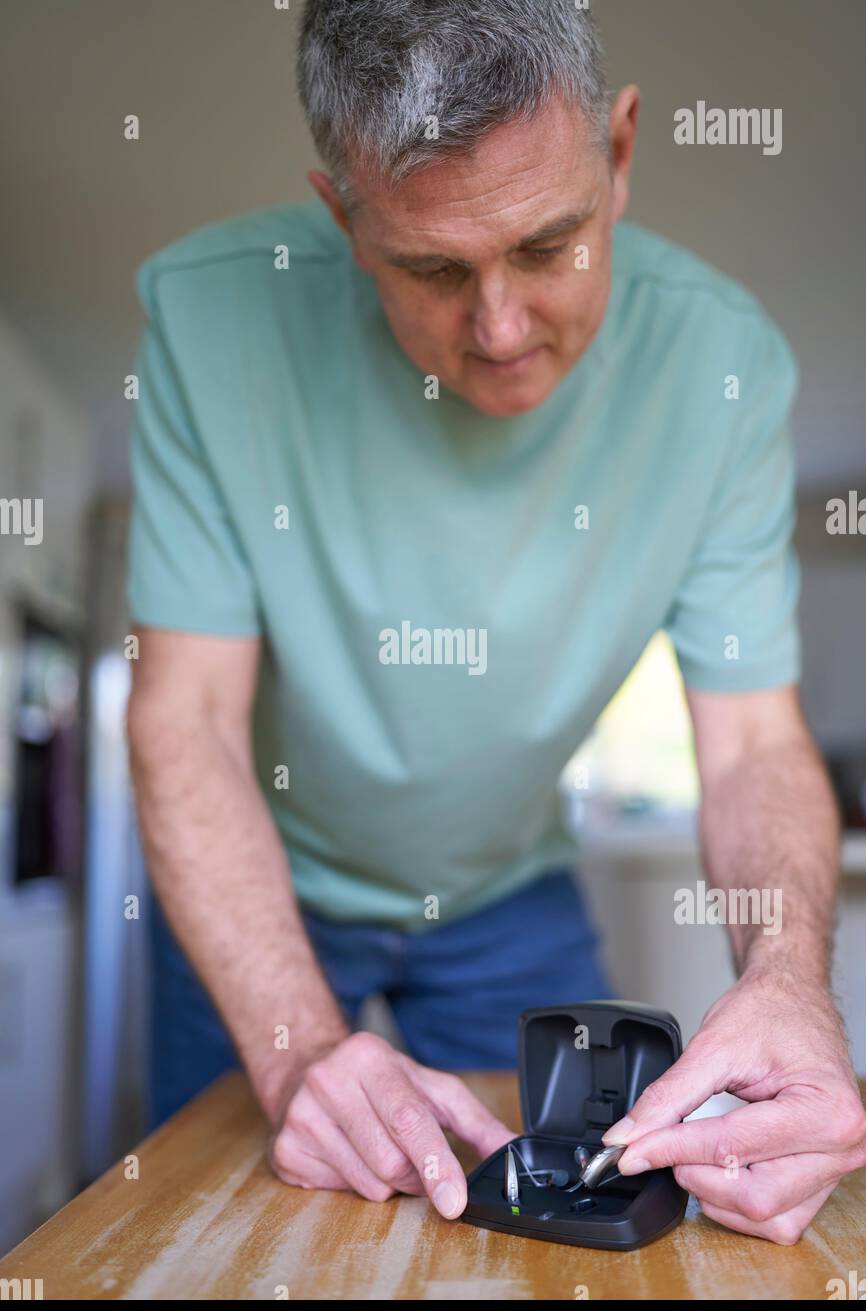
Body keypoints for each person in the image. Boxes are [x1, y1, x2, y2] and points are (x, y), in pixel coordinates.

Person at [126, 0, 865, 1243]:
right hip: (262, 881)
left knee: (594, 1211)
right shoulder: (208, 321)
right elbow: (182, 720)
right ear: (343, 219)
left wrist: (790, 981)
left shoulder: (724, 367)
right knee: (211, 1235)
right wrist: (300, 1051)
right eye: (431, 269)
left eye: (546, 243)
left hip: (507, 895)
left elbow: (749, 743)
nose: (500, 328)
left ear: (617, 155)